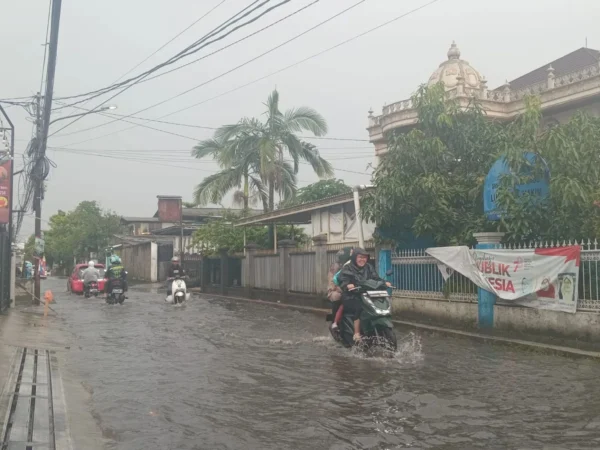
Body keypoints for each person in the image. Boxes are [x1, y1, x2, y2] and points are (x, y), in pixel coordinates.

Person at [338, 248, 391, 343]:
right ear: (355, 257)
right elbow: (343, 279)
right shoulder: (348, 268)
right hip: (351, 295)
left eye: (365, 258)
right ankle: (357, 333)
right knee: (360, 306)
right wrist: (347, 285)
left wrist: (384, 282)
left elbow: (376, 278)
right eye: (360, 257)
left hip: (367, 294)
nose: (362, 260)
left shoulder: (369, 267)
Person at [328, 247, 353, 332]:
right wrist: (338, 288)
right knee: (337, 297)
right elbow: (332, 280)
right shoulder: (335, 266)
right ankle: (335, 323)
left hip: (350, 288)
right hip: (336, 289)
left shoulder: (352, 264)